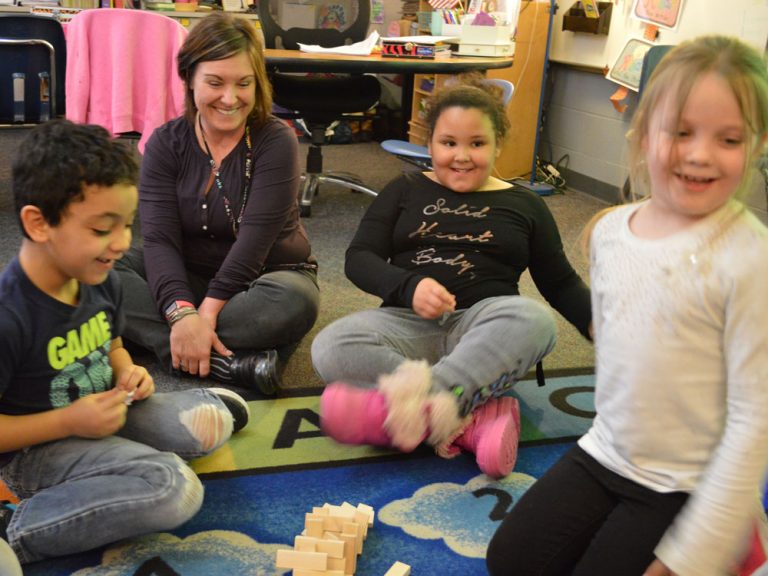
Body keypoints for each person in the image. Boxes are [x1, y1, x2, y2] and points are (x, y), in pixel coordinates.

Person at [487, 35, 768, 575]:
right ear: (643, 133)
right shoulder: (610, 232)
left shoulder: (748, 261)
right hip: (607, 452)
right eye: (680, 131)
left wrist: (687, 559)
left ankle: (740, 542)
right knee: (511, 561)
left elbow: (753, 424)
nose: (700, 154)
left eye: (729, 139)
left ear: (756, 146)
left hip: (688, 480)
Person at [311, 81, 592, 479]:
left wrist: (602, 326)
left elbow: (560, 282)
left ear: (498, 145)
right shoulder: (404, 189)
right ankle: (463, 414)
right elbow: (359, 258)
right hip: (406, 327)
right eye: (448, 143)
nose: (462, 156)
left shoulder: (526, 204)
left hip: (482, 330)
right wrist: (409, 286)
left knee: (534, 320)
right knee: (330, 345)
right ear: (429, 145)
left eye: (477, 144)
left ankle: (420, 406)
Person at [0, 119, 250, 564]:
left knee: (209, 420)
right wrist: (68, 422)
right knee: (172, 488)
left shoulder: (101, 278)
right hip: (31, 452)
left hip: (103, 411)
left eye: (127, 225)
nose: (121, 244)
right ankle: (16, 528)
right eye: (102, 230)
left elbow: (112, 344)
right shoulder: (9, 315)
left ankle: (124, 457)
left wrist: (126, 370)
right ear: (39, 224)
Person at [116, 12, 319, 395]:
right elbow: (159, 240)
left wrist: (203, 313)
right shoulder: (165, 143)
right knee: (96, 270)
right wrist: (182, 312)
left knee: (294, 303)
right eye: (215, 82)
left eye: (243, 83)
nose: (230, 98)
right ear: (189, 78)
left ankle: (170, 342)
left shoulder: (276, 140)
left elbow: (254, 244)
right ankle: (223, 362)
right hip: (187, 275)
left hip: (266, 278)